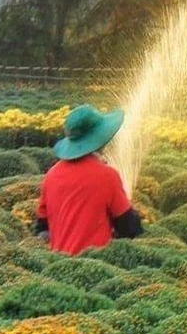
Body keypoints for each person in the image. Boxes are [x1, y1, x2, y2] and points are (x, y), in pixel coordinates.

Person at [33, 104, 144, 254]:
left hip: (57, 268)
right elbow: (129, 228)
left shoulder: (51, 175)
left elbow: (42, 227)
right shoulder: (107, 176)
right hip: (97, 265)